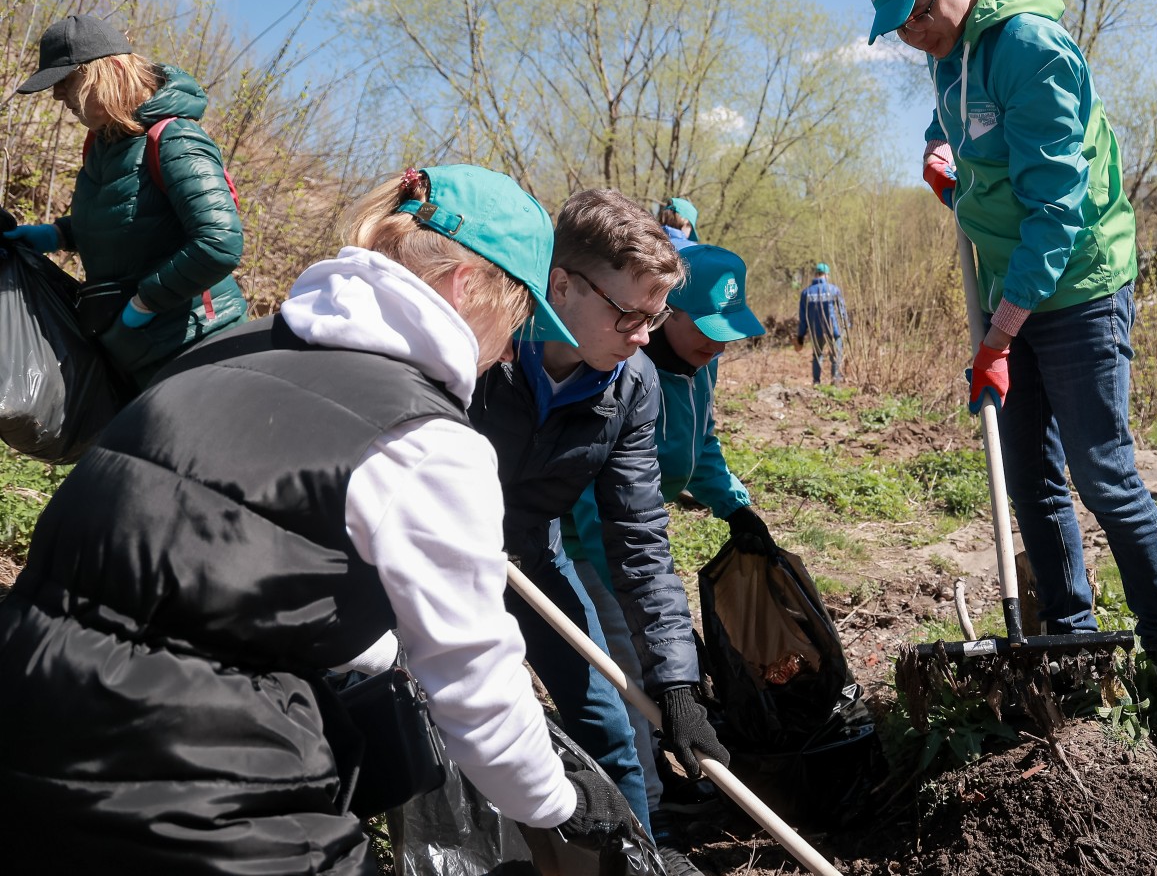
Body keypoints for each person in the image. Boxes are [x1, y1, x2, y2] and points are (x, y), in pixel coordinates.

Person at [0, 164, 636, 871]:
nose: (506, 346)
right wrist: (563, 806)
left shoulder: (227, 350)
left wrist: (376, 657)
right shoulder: (426, 441)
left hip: (24, 728)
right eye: (517, 315)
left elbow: (230, 561)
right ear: (469, 289)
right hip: (188, 791)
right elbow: (477, 684)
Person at [860, 0, 1157, 758]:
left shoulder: (1030, 45)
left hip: (1078, 282)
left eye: (917, 14)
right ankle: (1071, 644)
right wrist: (938, 156)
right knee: (1028, 474)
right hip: (1008, 287)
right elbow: (961, 129)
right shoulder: (947, 53)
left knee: (1102, 469)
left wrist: (1001, 336)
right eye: (900, 27)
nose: (914, 35)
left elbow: (1059, 208)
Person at [468, 189, 729, 876]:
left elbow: (639, 537)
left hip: (530, 550)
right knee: (456, 723)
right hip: (433, 553)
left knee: (610, 723)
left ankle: (638, 858)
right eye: (629, 315)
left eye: (657, 316)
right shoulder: (478, 351)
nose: (646, 336)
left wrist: (677, 683)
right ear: (561, 285)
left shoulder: (630, 384)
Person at [563, 242, 769, 871]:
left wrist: (732, 504)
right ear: (663, 313)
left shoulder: (698, 368)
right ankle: (647, 818)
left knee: (656, 658)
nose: (719, 345)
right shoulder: (619, 367)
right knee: (622, 666)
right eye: (707, 331)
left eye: (728, 334)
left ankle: (662, 777)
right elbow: (604, 505)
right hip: (587, 542)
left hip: (638, 531)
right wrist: (625, 594)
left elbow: (700, 445)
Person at [3, 13, 246, 389]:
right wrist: (54, 235)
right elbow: (128, 217)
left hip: (198, 350)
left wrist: (144, 305)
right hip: (138, 352)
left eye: (66, 81)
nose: (57, 96)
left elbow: (219, 242)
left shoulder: (175, 139)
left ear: (108, 70)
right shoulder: (103, 144)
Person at [796, 261, 848, 384]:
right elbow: (842, 311)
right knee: (836, 356)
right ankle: (835, 382)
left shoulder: (806, 293)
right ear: (826, 274)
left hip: (816, 330)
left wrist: (801, 335)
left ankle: (816, 382)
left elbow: (803, 317)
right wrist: (846, 325)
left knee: (817, 356)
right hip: (833, 329)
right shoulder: (834, 290)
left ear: (816, 274)